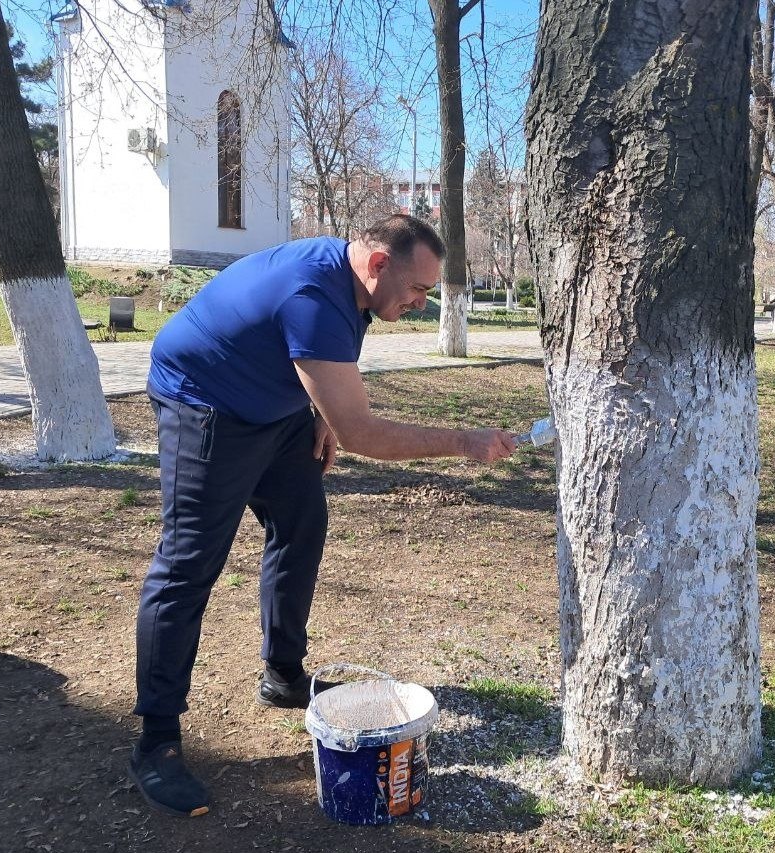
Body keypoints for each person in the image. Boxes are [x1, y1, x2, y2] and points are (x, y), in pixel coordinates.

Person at [130, 215, 515, 818]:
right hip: (205, 400)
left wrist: (315, 416)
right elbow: (361, 432)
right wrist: (464, 441)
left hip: (275, 407)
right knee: (187, 566)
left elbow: (314, 371)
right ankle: (156, 739)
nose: (420, 302)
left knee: (302, 523)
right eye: (417, 289)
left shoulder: (356, 284)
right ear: (379, 264)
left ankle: (283, 673)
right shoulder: (315, 294)